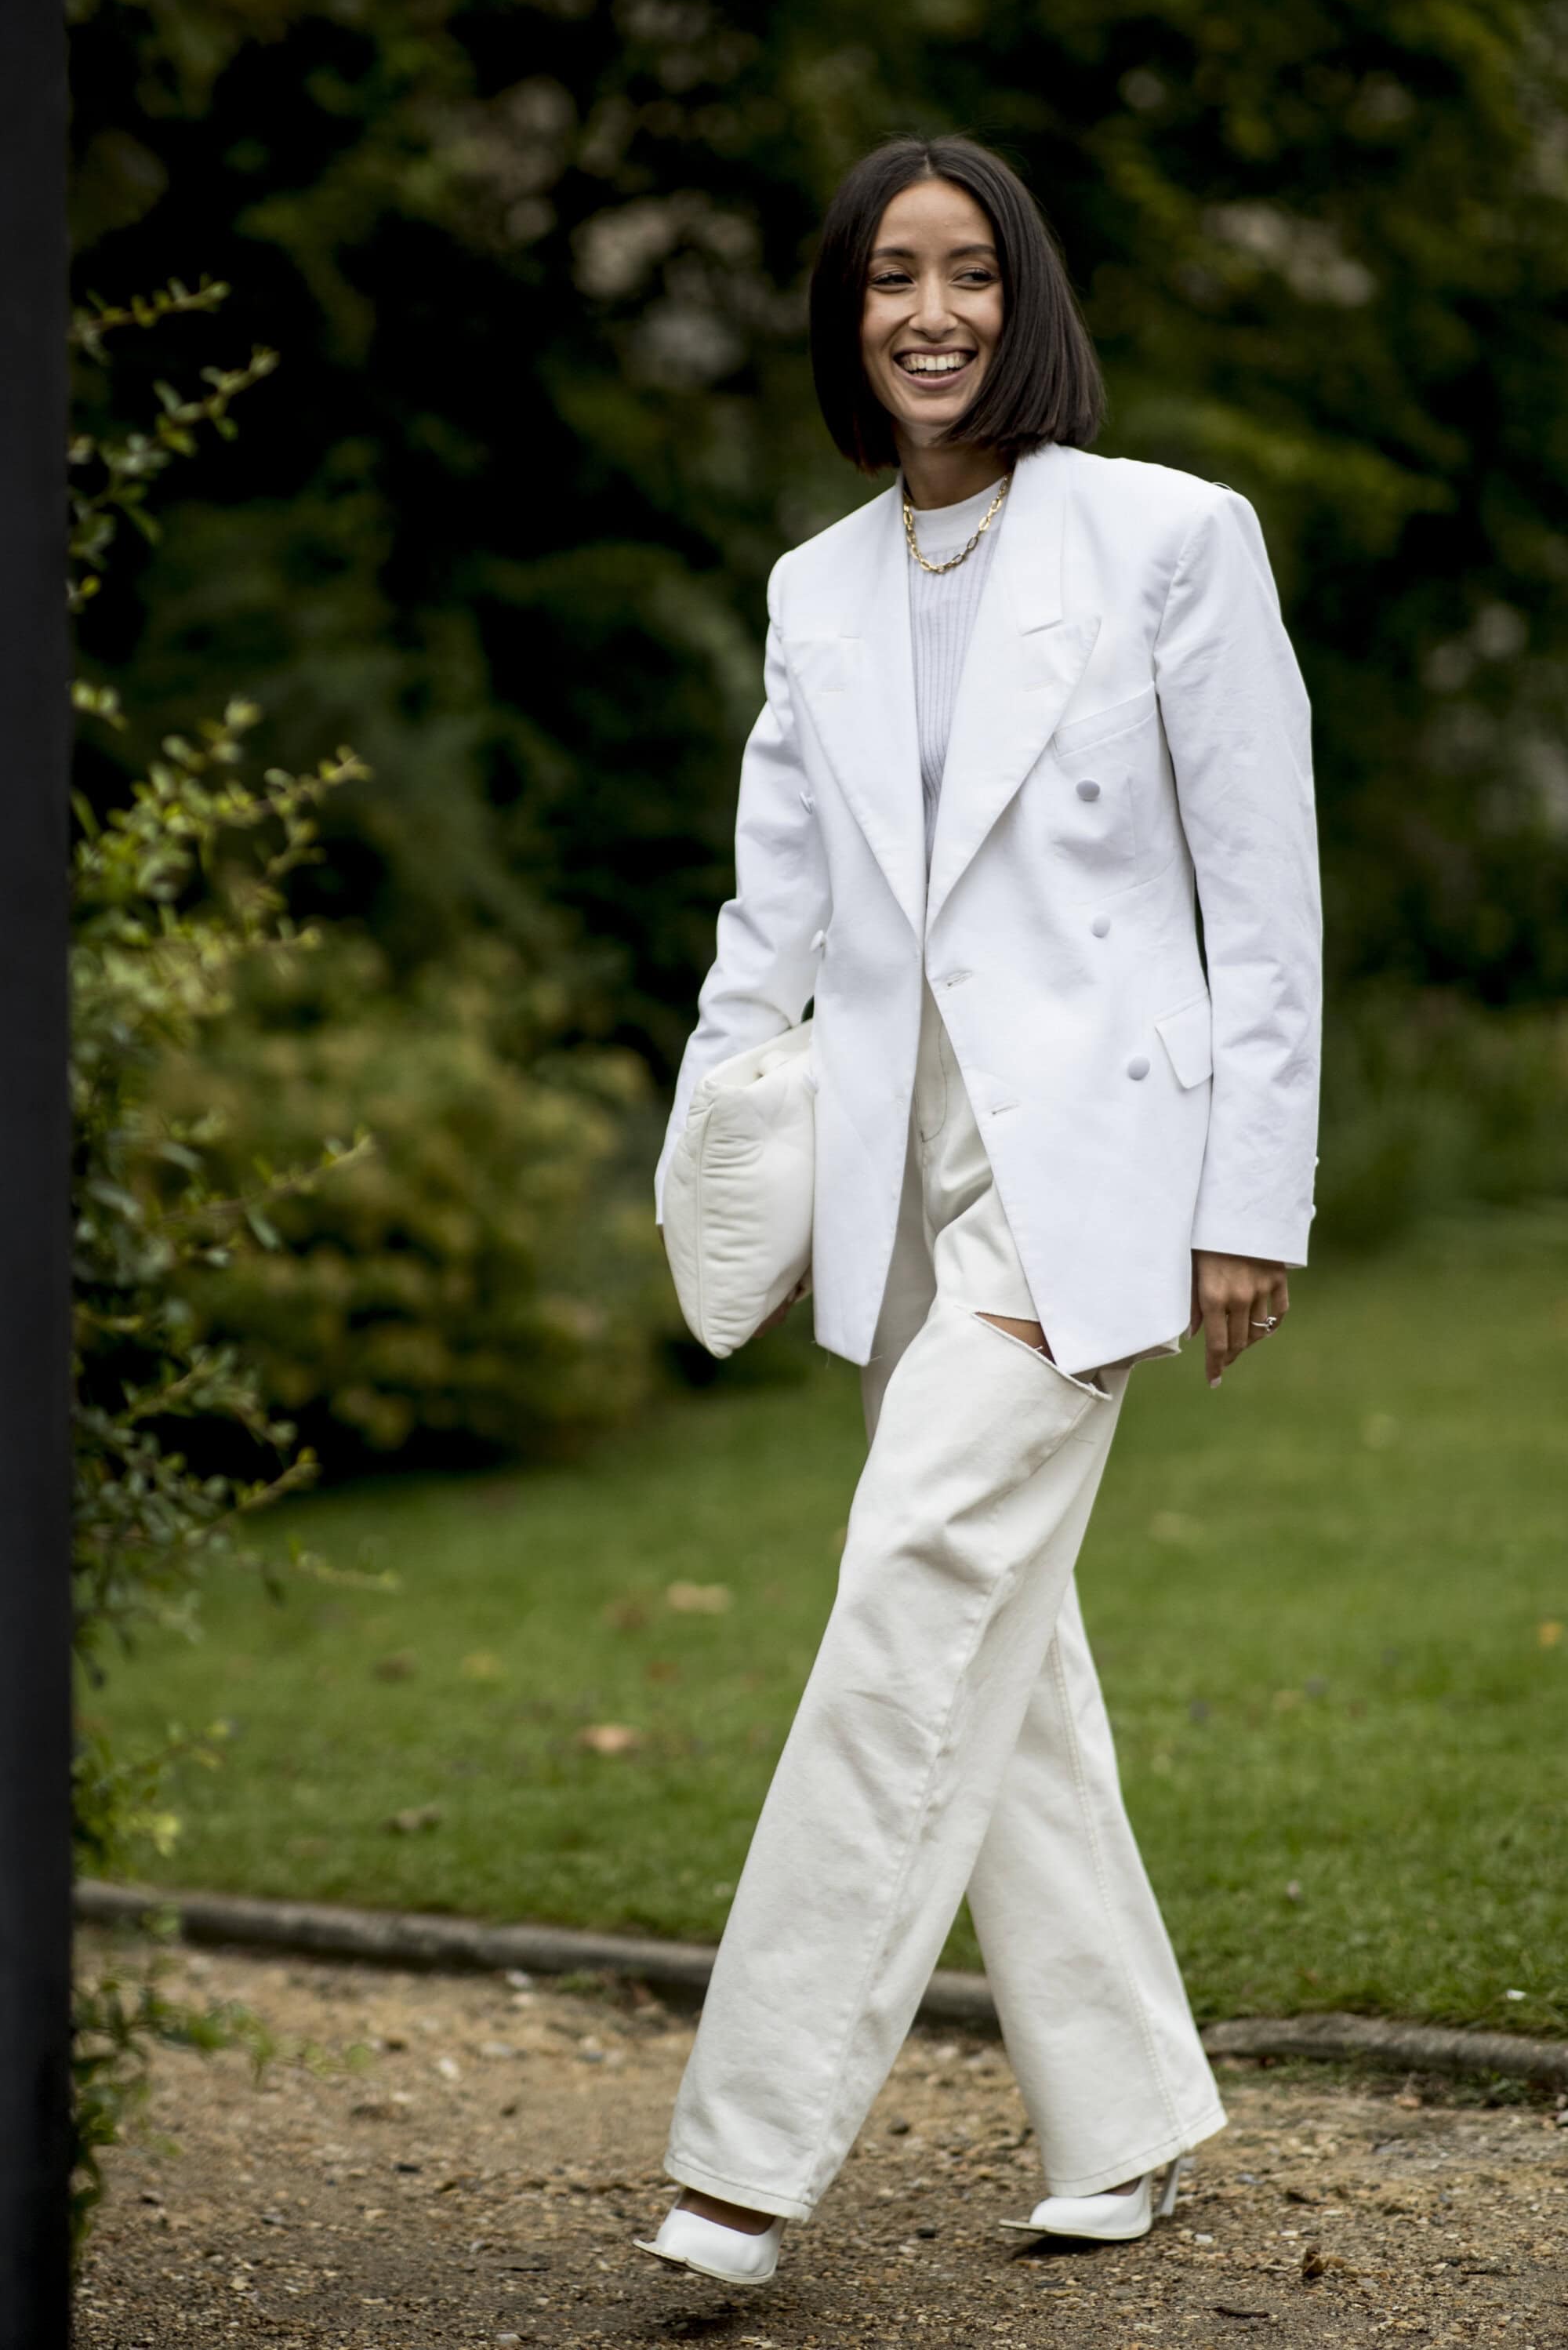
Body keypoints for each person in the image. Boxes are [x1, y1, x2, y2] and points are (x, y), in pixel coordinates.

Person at [637, 132, 1321, 2289]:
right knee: (998, 1664)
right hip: (895, 1187)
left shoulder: (1171, 536)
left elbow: (1264, 899)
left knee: (915, 1589)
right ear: (847, 318)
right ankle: (1130, 2116)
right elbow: (770, 922)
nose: (929, 314)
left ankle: (745, 2158)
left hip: (1092, 1171)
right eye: (887, 279)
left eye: (968, 274)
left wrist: (1250, 1200)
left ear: (1026, 299)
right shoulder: (816, 588)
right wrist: (717, 1176)